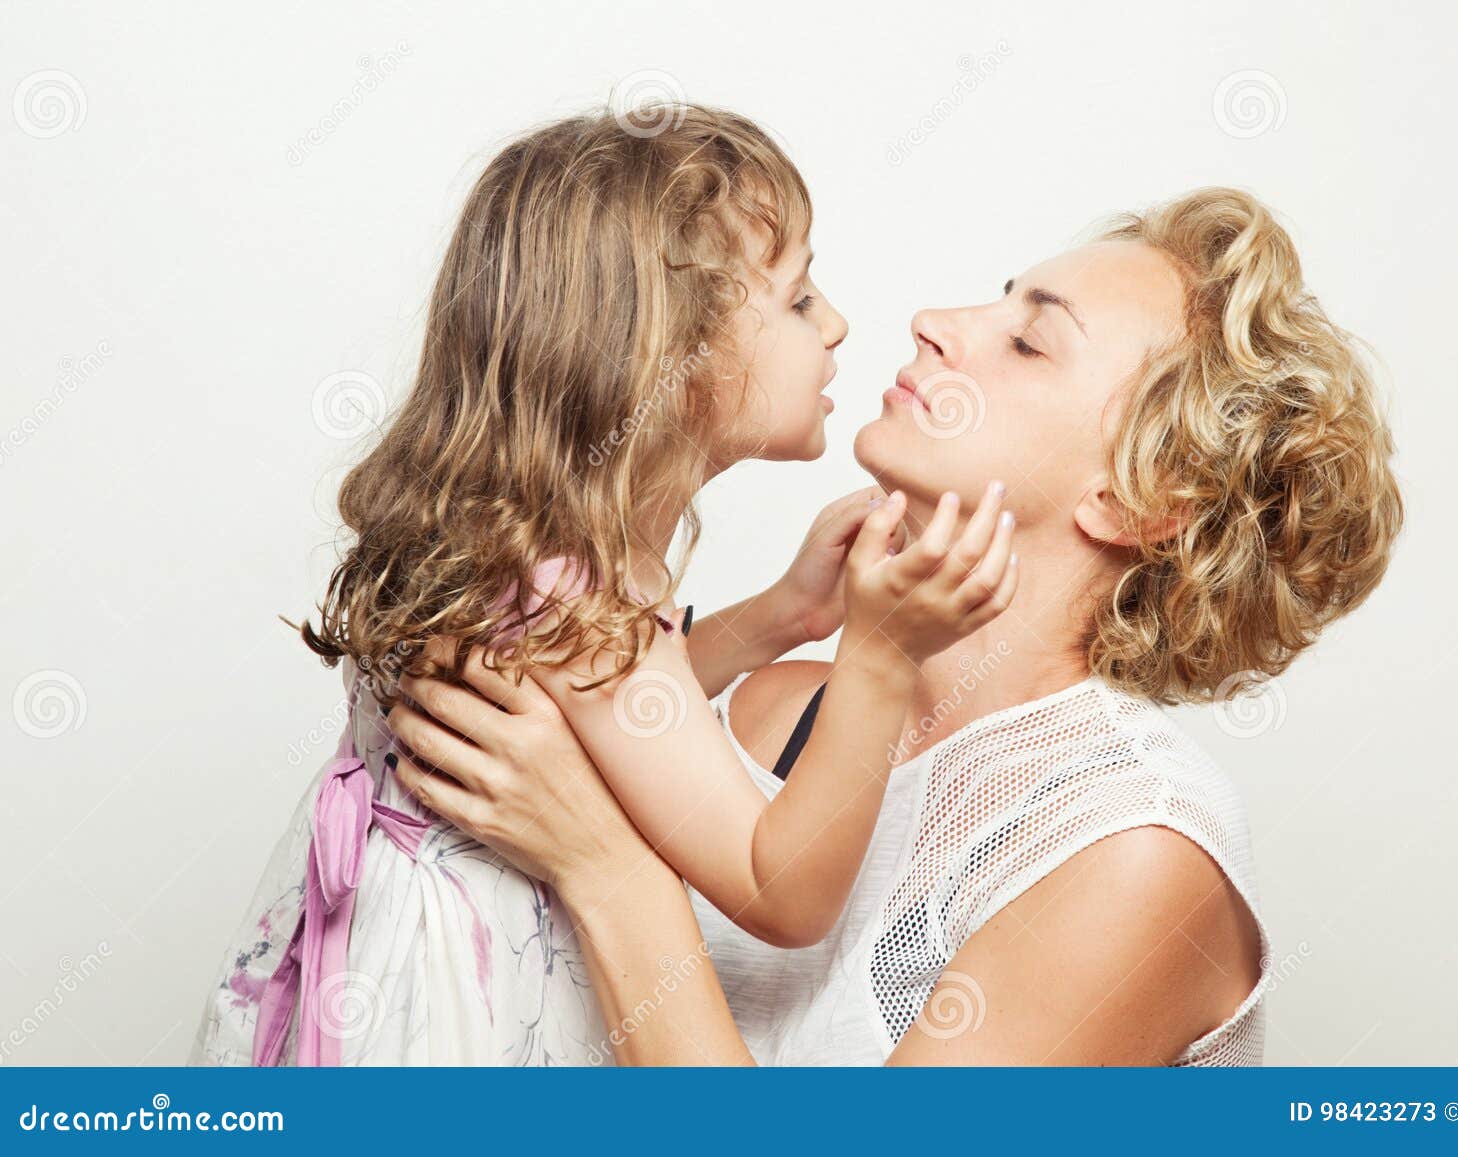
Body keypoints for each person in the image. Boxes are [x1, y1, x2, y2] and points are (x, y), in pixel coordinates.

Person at [392, 186, 1405, 1064]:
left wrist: (604, 867)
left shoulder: (1129, 854)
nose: (931, 320)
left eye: (1027, 338)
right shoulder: (774, 715)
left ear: (1142, 498)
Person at [191, 103, 1019, 1067]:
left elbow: (613, 723)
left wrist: (776, 619)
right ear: (670, 362)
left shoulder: (530, 555)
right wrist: (877, 657)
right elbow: (781, 891)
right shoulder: (576, 598)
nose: (835, 322)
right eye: (796, 300)